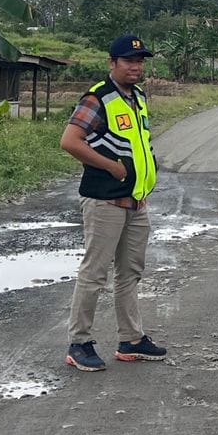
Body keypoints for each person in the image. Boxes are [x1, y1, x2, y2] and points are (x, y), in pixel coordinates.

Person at [58, 34, 169, 372]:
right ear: (112, 63)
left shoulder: (137, 97)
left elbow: (139, 143)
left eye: (140, 61)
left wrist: (142, 183)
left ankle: (131, 340)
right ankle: (79, 343)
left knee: (130, 273)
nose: (136, 66)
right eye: (128, 61)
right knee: (94, 273)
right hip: (104, 201)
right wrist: (110, 166)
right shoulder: (98, 98)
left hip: (136, 203)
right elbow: (69, 141)